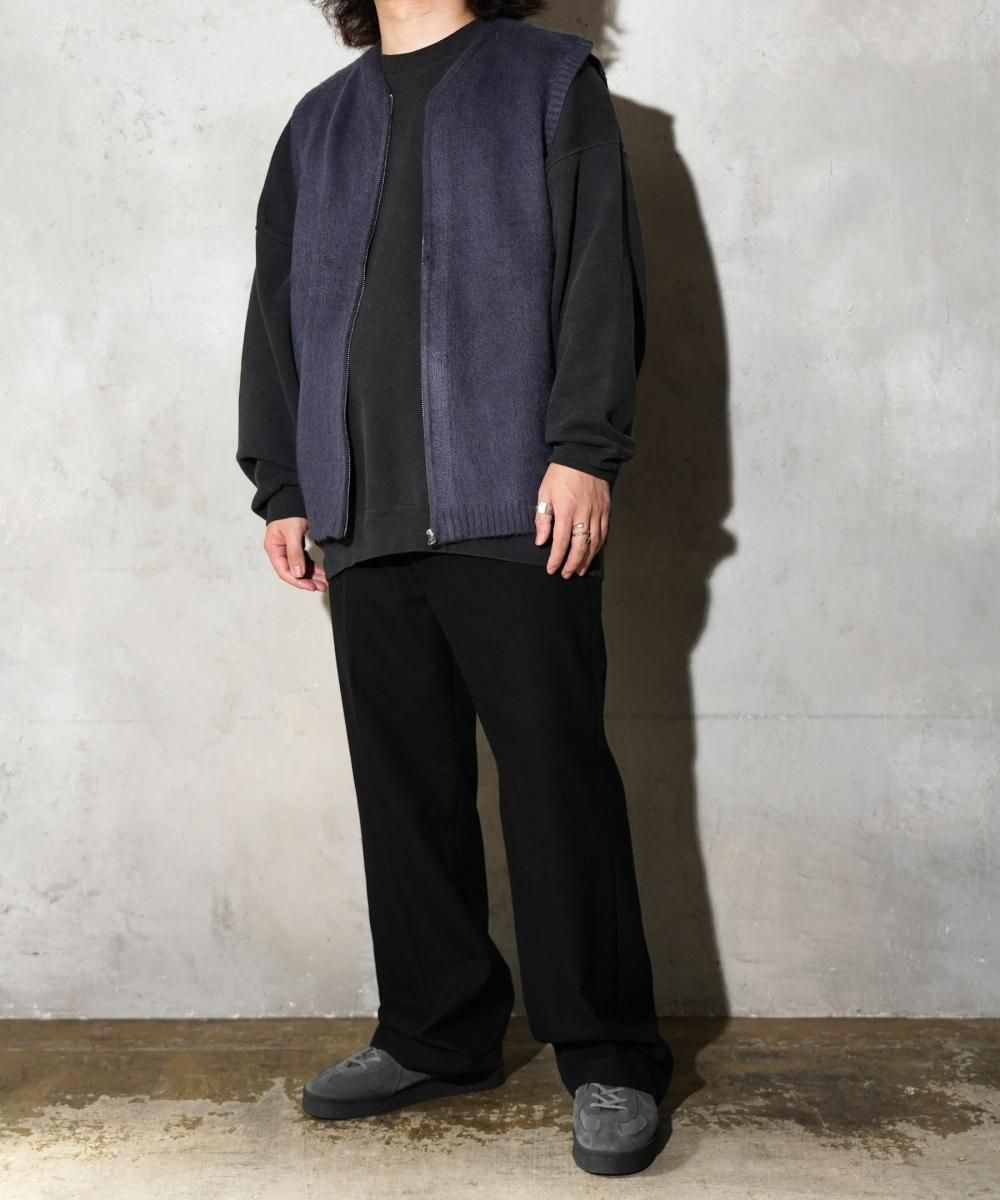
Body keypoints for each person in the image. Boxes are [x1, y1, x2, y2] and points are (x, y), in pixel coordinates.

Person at [236, 0, 672, 1176]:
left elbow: (598, 271)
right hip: (361, 510)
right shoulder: (319, 123)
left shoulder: (546, 80)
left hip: (513, 500)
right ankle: (436, 1032)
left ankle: (610, 1054)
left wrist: (583, 450)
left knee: (555, 781)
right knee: (405, 788)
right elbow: (276, 313)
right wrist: (284, 485)